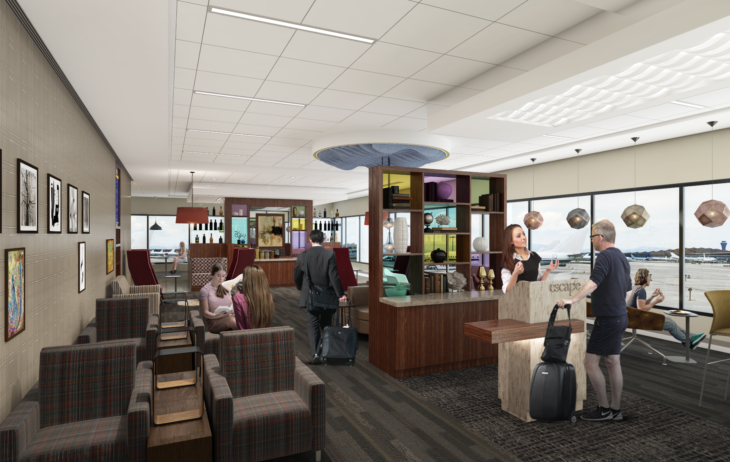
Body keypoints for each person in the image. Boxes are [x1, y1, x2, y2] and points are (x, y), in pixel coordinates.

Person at [556, 219, 631, 422]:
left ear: (600, 237)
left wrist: (572, 299)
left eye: (591, 237)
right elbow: (628, 290)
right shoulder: (622, 257)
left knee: (590, 362)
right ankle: (615, 410)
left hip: (608, 319)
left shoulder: (605, 256)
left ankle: (604, 409)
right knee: (613, 361)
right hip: (620, 316)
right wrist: (618, 307)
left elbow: (593, 283)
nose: (591, 241)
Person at [293, 229, 347, 364]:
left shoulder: (302, 256)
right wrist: (340, 294)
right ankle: (328, 351)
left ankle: (316, 354)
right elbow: (334, 276)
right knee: (327, 324)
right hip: (327, 296)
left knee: (312, 324)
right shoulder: (330, 254)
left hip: (310, 296)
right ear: (323, 239)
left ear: (310, 240)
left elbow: (296, 276)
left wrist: (301, 288)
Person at [628, 268, 706, 349]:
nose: (650, 279)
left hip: (633, 318)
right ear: (644, 278)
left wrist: (652, 297)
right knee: (670, 323)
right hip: (637, 321)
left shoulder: (635, 288)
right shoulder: (641, 290)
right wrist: (655, 302)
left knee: (669, 320)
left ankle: (691, 337)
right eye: (649, 276)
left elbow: (640, 305)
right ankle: (688, 341)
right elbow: (642, 309)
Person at [501, 224, 558, 292]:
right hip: (517, 301)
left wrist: (548, 270)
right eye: (518, 236)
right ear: (511, 241)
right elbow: (507, 291)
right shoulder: (507, 262)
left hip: (534, 299)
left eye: (524, 234)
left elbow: (539, 283)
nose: (524, 237)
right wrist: (515, 274)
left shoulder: (534, 256)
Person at [232, 265, 274, 330]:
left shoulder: (237, 298)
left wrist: (241, 293)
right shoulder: (269, 296)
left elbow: (241, 328)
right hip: (265, 337)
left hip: (247, 338)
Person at [198, 263, 237, 333]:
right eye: (218, 276)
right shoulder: (204, 290)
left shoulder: (227, 290)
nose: (221, 279)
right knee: (232, 321)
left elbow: (230, 307)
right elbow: (205, 313)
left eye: (223, 276)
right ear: (212, 275)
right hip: (213, 321)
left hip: (227, 318)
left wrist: (232, 312)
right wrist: (217, 315)